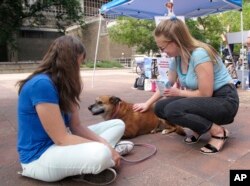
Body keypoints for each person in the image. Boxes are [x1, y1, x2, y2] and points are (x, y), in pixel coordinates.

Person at [16, 35, 133, 184]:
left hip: (63, 144)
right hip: (40, 157)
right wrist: (105, 147)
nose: (80, 67)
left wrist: (105, 144)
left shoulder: (64, 84)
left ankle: (102, 157)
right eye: (80, 62)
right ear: (69, 61)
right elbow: (62, 138)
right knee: (101, 153)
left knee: (117, 124)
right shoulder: (41, 84)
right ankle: (104, 158)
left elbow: (76, 126)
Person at [133, 17, 239, 155]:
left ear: (176, 41)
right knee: (159, 108)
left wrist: (179, 93)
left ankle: (218, 132)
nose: (162, 51)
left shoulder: (200, 54)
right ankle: (200, 127)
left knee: (172, 109)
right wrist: (147, 103)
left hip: (225, 100)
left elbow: (205, 93)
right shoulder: (176, 59)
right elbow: (167, 84)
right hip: (205, 100)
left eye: (162, 47)